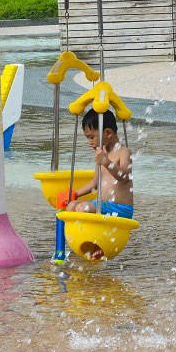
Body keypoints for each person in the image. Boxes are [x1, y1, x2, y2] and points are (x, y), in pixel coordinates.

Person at [56, 108, 134, 261]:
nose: (89, 142)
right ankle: (85, 243)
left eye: (91, 137)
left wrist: (106, 161)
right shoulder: (100, 154)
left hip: (120, 209)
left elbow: (125, 177)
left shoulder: (124, 152)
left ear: (108, 133)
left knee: (82, 208)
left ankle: (97, 245)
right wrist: (75, 194)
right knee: (72, 206)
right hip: (103, 206)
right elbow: (94, 183)